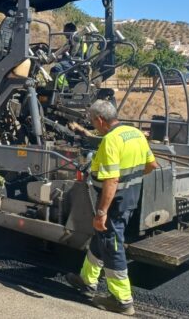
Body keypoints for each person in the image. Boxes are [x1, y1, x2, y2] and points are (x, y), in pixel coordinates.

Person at [65, 100, 158, 316]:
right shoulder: (135, 134)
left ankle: (122, 300)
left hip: (114, 203)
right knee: (102, 237)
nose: (92, 125)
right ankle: (87, 281)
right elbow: (151, 165)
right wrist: (131, 180)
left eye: (92, 121)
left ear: (99, 119)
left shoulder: (110, 141)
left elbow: (112, 181)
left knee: (112, 245)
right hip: (130, 199)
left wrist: (101, 212)